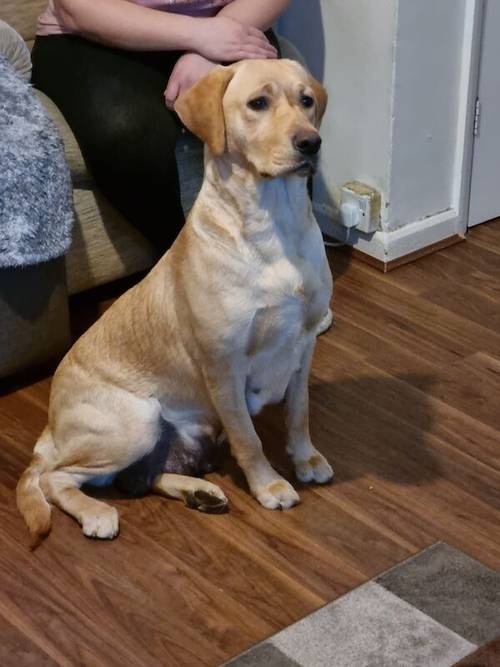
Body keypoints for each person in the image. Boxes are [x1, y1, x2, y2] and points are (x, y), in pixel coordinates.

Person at [32, 0, 290, 250]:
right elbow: (77, 8)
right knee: (128, 132)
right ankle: (185, 265)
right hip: (95, 35)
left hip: (233, 25)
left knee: (278, 121)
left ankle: (284, 260)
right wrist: (201, 36)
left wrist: (210, 48)